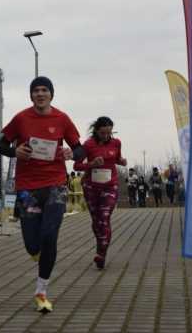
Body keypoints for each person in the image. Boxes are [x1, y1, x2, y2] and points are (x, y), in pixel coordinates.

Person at [0, 76, 85, 313]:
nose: (40, 94)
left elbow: (80, 149)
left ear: (51, 94)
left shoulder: (62, 118)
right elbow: (0, 145)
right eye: (36, 90)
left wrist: (71, 153)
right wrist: (15, 151)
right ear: (31, 95)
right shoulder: (21, 118)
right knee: (32, 244)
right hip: (27, 188)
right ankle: (37, 255)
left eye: (44, 90)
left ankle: (41, 290)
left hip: (56, 185)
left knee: (49, 236)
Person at [73, 116, 127, 270]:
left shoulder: (116, 143)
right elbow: (77, 166)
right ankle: (100, 247)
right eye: (103, 133)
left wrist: (121, 161)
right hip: (91, 187)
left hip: (110, 186)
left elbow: (116, 158)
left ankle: (101, 253)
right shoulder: (88, 145)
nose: (106, 136)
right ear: (96, 130)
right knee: (97, 221)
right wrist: (91, 164)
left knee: (104, 217)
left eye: (109, 133)